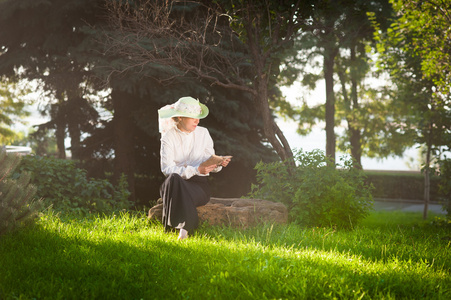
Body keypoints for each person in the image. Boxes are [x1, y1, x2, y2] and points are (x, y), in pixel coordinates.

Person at [158, 96, 231, 240]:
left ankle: (180, 231)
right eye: (192, 117)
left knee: (180, 185)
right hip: (173, 185)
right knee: (174, 178)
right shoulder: (168, 137)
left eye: (198, 117)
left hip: (198, 187)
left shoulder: (203, 133)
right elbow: (167, 169)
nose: (197, 121)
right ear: (180, 117)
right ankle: (185, 230)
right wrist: (195, 170)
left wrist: (217, 164)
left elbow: (207, 160)